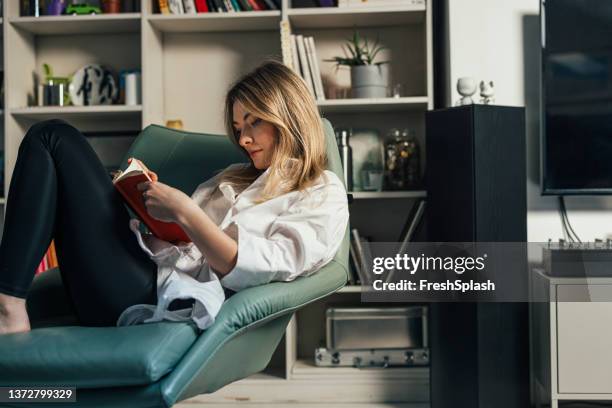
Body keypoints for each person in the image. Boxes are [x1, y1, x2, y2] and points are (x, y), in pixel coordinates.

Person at [0, 60, 350, 335]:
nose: (243, 139)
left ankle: (8, 305)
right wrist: (141, 205)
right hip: (138, 268)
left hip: (155, 296)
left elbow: (253, 267)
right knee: (54, 150)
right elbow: (177, 240)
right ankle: (9, 300)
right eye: (239, 128)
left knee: (53, 137)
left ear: (289, 118)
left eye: (254, 122)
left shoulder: (321, 191)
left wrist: (185, 212)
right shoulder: (231, 177)